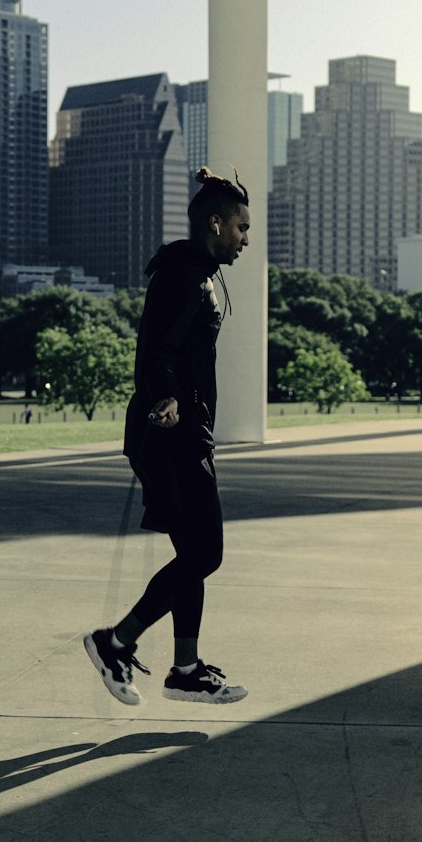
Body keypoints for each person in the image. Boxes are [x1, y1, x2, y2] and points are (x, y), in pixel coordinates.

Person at [84, 167, 250, 707]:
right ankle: (115, 642)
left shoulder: (196, 271)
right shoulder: (184, 274)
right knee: (206, 552)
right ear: (216, 223)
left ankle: (184, 669)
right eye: (241, 228)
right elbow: (157, 345)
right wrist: (166, 397)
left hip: (185, 431)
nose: (246, 239)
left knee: (192, 554)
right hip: (170, 434)